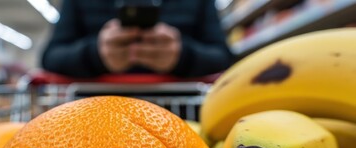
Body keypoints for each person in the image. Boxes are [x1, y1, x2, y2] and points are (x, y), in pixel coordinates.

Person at [41, 0, 234, 79]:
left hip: (180, 117)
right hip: (95, 113)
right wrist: (96, 54)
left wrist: (182, 55)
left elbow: (224, 57)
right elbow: (51, 57)